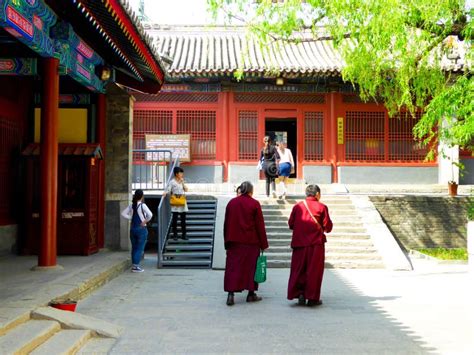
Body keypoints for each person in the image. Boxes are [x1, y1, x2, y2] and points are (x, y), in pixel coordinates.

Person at [223, 181, 269, 306]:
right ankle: (251, 294)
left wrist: (226, 241)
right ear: (250, 191)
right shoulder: (254, 204)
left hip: (234, 242)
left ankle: (230, 295)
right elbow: (260, 225)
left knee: (233, 268)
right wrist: (264, 243)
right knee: (251, 268)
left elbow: (226, 223)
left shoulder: (231, 203)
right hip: (251, 242)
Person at [287, 185, 333, 306]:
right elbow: (328, 226)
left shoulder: (297, 207)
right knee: (314, 271)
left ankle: (300, 294)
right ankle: (312, 298)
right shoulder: (322, 207)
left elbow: (291, 224)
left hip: (299, 244)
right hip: (315, 245)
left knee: (299, 269)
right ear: (317, 194)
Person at [121, 189, 153, 273]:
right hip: (141, 229)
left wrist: (131, 218)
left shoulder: (131, 205)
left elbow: (123, 214)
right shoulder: (143, 205)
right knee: (140, 248)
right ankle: (136, 266)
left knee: (134, 248)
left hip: (133, 229)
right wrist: (145, 221)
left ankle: (134, 265)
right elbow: (150, 215)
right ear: (142, 196)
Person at [163, 166, 188, 240]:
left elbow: (186, 190)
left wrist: (182, 182)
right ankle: (175, 235)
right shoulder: (172, 182)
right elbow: (169, 189)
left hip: (182, 201)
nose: (182, 174)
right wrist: (165, 193)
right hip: (175, 201)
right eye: (180, 173)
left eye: (182, 173)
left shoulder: (182, 180)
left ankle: (184, 235)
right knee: (175, 220)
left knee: (183, 220)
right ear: (176, 174)